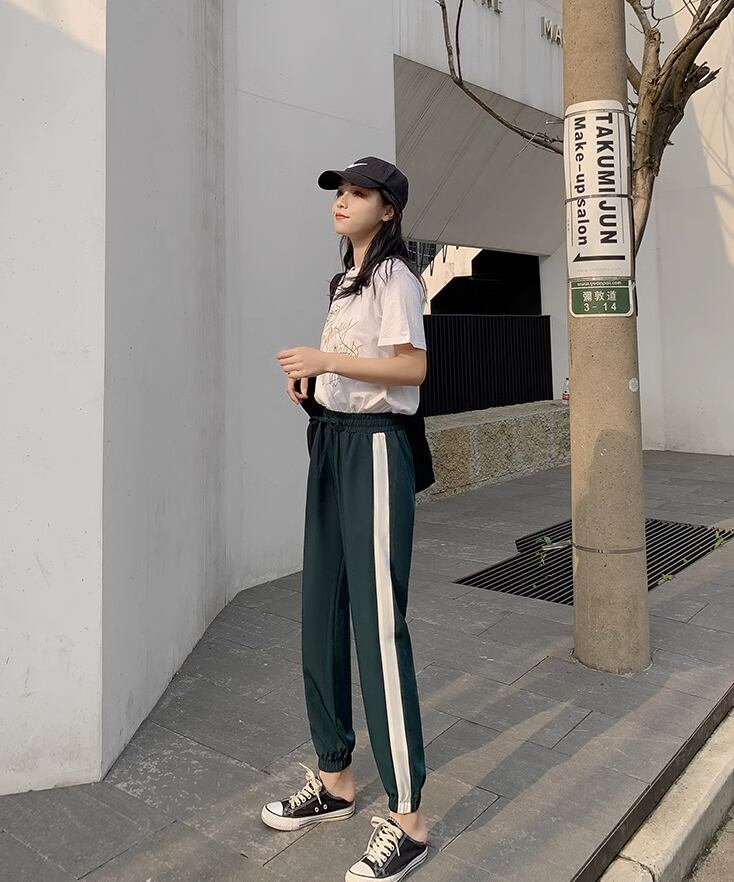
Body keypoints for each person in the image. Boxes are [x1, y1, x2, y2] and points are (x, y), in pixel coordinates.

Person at [261, 156, 431, 882]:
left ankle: (409, 820)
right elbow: (355, 366)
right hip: (331, 442)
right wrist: (315, 382)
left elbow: (411, 369)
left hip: (376, 451)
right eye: (340, 191)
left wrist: (327, 357)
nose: (343, 201)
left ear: (387, 209)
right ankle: (335, 778)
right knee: (320, 614)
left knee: (378, 627)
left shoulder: (395, 277)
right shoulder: (347, 281)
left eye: (359, 193)